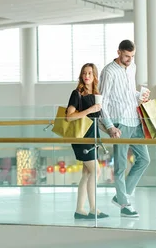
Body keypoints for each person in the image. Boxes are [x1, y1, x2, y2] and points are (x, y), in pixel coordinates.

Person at [100, 40, 150, 218]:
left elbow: (129, 92)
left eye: (132, 56)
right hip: (119, 123)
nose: (129, 59)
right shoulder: (108, 72)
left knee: (144, 159)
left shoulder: (132, 67)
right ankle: (124, 203)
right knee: (120, 167)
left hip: (135, 119)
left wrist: (140, 95)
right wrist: (110, 126)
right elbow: (102, 101)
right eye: (127, 56)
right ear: (119, 52)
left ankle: (121, 195)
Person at [66, 63, 109, 220]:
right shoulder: (77, 93)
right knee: (95, 171)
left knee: (86, 173)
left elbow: (96, 120)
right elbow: (69, 116)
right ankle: (93, 208)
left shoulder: (97, 94)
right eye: (84, 73)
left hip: (93, 137)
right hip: (81, 137)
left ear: (95, 75)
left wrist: (111, 130)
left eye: (90, 73)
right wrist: (90, 110)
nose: (87, 76)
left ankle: (79, 209)